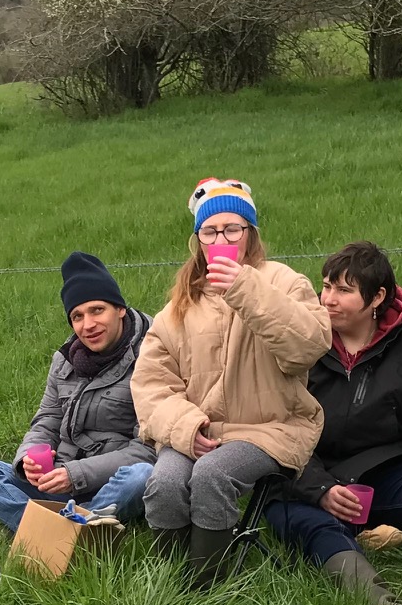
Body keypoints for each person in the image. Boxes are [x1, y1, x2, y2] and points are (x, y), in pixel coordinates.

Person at [131, 180, 332, 584]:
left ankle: (208, 587)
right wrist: (187, 428)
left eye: (232, 229)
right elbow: (151, 385)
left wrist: (244, 288)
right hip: (198, 429)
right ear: (198, 241)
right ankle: (171, 588)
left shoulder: (285, 283)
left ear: (250, 233)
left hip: (271, 427)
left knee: (212, 476)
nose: (221, 238)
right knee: (165, 483)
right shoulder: (180, 305)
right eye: (210, 231)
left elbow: (308, 347)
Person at [264, 242, 402, 605]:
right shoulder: (299, 352)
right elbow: (278, 429)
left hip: (388, 472)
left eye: (344, 290)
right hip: (315, 472)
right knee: (289, 513)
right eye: (326, 286)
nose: (328, 299)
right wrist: (320, 489)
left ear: (377, 297)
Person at [0, 252, 156, 531]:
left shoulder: (153, 356)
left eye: (97, 310)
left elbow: (147, 449)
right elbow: (47, 420)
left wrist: (76, 475)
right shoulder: (65, 359)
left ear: (120, 309)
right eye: (77, 316)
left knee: (142, 476)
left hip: (108, 484)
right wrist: (27, 460)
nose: (88, 325)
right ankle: (70, 528)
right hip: (58, 481)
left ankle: (51, 531)